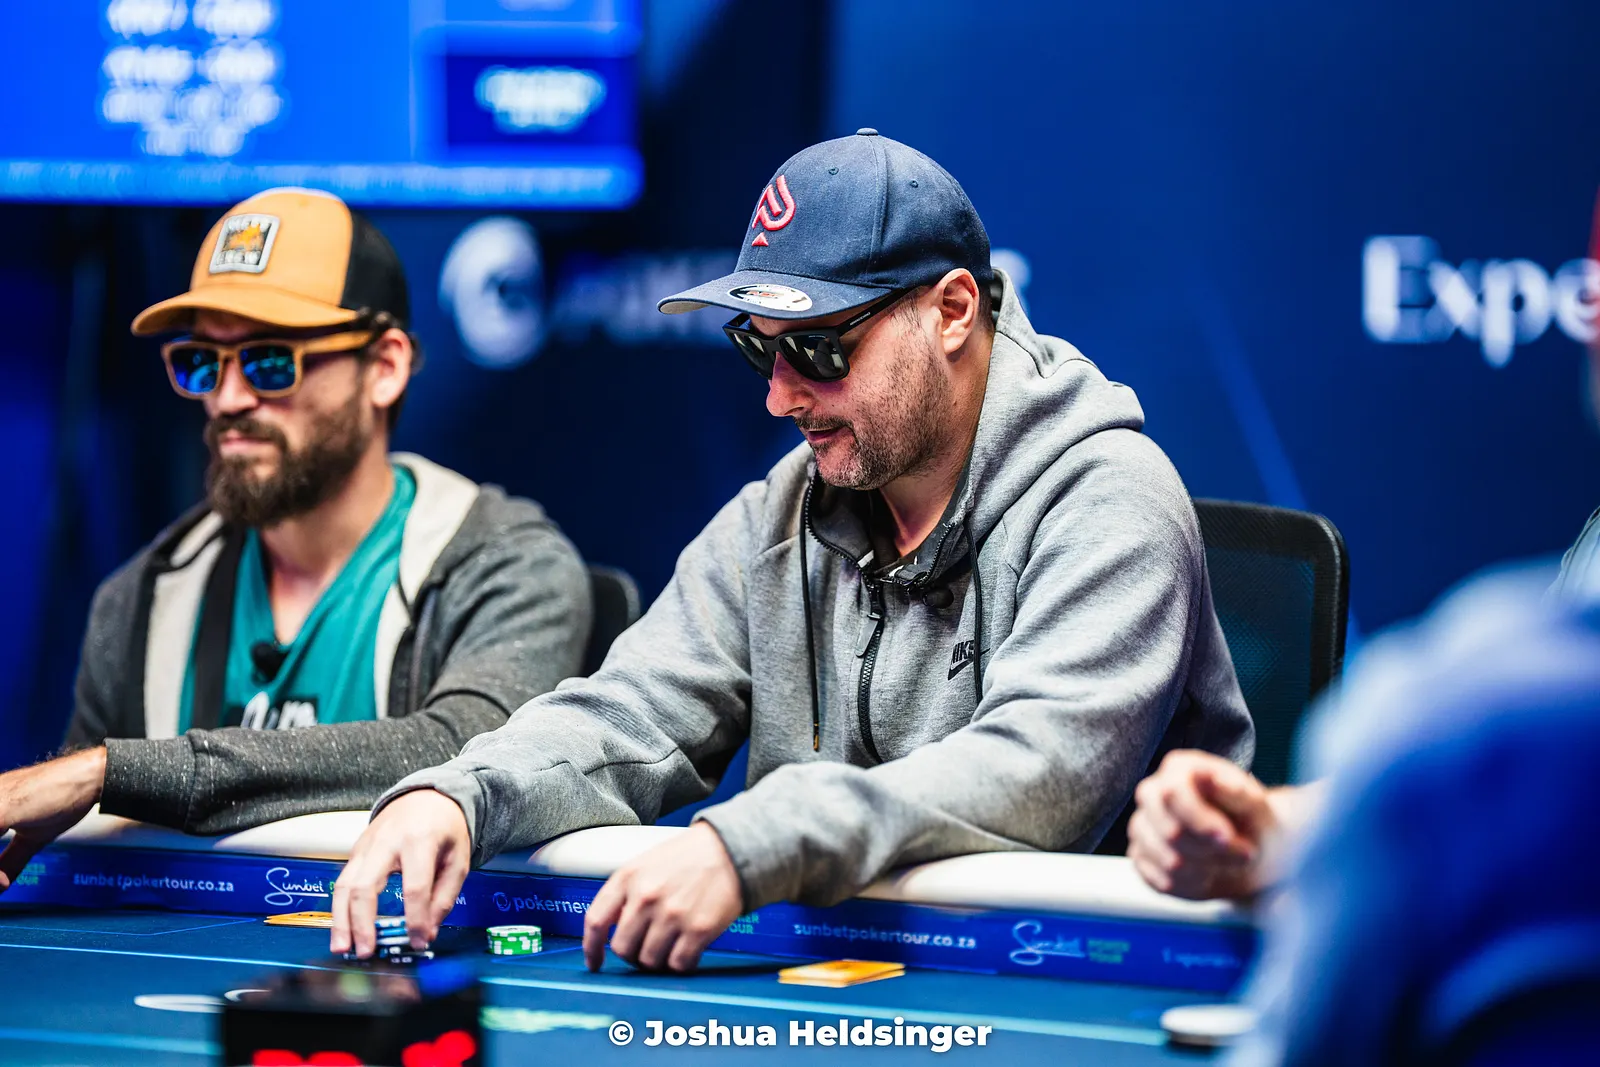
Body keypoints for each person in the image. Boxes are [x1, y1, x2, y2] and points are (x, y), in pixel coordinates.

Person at [330, 130, 1254, 970]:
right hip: (840, 970)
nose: (780, 396)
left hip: (1075, 982)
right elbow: (633, 713)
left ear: (952, 310)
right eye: (757, 347)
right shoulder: (782, 512)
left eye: (817, 349)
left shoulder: (1110, 500)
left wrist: (754, 842)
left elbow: (1038, 773)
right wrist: (461, 794)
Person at [0, 188, 592, 892]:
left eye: (270, 360)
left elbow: (468, 748)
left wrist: (114, 771)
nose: (227, 399)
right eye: (203, 362)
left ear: (385, 367)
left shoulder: (507, 564)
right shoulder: (143, 596)